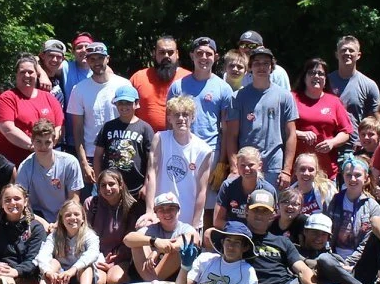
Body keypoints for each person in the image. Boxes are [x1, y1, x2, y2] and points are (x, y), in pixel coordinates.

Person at [5, 218, 259, 284]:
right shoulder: (206, 260)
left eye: (237, 244)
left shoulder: (247, 275)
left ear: (245, 248)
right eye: (228, 241)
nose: (231, 247)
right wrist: (184, 267)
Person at [309, 159, 380, 284]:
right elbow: (327, 234)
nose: (352, 179)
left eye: (357, 175)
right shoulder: (334, 200)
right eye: (348, 175)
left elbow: (366, 242)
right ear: (343, 176)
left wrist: (350, 264)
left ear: (366, 178)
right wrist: (338, 262)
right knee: (324, 259)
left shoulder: (372, 206)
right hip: (335, 263)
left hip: (359, 265)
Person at [243, 191, 331, 284]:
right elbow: (211, 235)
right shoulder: (239, 239)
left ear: (272, 213)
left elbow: (302, 269)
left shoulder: (282, 241)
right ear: (246, 210)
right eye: (256, 210)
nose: (260, 215)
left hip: (292, 283)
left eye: (265, 211)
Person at [225, 45, 298, 186]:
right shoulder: (237, 97)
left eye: (266, 63)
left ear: (272, 67)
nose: (261, 67)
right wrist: (234, 168)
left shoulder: (285, 96)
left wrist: (287, 170)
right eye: (257, 63)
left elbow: (291, 134)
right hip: (246, 166)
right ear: (250, 67)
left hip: (273, 166)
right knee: (246, 207)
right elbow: (232, 135)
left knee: (271, 206)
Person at [167, 36, 235, 159]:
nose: (204, 57)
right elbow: (169, 124)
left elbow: (226, 130)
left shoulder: (224, 89)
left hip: (210, 150)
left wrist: (222, 161)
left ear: (215, 57)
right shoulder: (178, 86)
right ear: (192, 56)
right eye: (199, 53)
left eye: (208, 54)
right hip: (180, 149)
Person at [154, 94, 215, 231]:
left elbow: (202, 191)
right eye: (176, 115)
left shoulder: (204, 150)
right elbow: (151, 176)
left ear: (192, 117)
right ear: (169, 118)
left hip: (188, 219)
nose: (181, 119)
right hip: (161, 216)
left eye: (185, 114)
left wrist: (193, 226)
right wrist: (149, 211)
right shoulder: (160, 139)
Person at [65, 41, 124, 181]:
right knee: (91, 202)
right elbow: (77, 129)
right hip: (91, 156)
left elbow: (132, 121)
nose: (97, 62)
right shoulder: (78, 90)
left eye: (100, 58)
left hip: (121, 153)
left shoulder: (123, 85)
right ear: (87, 60)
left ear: (107, 59)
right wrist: (83, 162)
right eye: (92, 59)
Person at [0, 53, 65, 163]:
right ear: (16, 75)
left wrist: (45, 147)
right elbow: (7, 129)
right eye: (22, 72)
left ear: (37, 75)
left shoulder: (49, 98)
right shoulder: (7, 98)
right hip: (15, 162)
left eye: (30, 72)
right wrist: (35, 146)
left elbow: (59, 127)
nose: (27, 75)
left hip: (45, 161)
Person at [292, 58, 356, 179]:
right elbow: (280, 127)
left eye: (321, 74)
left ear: (326, 79)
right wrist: (300, 134)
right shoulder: (292, 98)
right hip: (298, 170)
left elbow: (346, 132)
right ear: (304, 77)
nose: (316, 76)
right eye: (311, 73)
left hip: (326, 170)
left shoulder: (334, 101)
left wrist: (332, 142)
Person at [15, 117, 84, 223]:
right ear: (32, 141)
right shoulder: (25, 166)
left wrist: (60, 223)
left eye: (47, 142)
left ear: (54, 141)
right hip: (37, 217)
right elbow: (23, 203)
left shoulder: (70, 162)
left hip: (65, 215)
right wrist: (43, 224)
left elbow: (74, 199)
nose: (43, 146)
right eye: (38, 141)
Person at [95, 85, 157, 196]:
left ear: (136, 104)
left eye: (128, 103)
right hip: (111, 187)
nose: (124, 106)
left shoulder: (145, 128)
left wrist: (147, 185)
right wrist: (99, 182)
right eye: (120, 103)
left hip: (136, 188)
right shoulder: (108, 127)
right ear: (115, 104)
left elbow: (151, 161)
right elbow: (98, 156)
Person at [123, 191, 199, 283]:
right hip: (149, 270)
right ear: (156, 213)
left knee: (179, 249)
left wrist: (157, 251)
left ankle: (151, 282)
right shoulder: (152, 228)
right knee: (137, 243)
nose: (166, 213)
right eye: (161, 209)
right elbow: (128, 239)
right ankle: (151, 281)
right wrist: (154, 241)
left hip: (173, 275)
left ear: (178, 211)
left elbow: (193, 238)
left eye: (171, 208)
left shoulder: (185, 228)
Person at [84, 167, 139, 284]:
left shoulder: (131, 207)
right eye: (103, 185)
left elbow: (131, 239)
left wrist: (115, 258)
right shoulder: (91, 203)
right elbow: (85, 234)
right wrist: (95, 256)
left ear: (120, 185)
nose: (107, 189)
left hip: (120, 257)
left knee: (114, 279)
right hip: (96, 254)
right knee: (98, 281)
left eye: (111, 184)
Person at [40, 197, 101, 284]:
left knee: (86, 266)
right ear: (62, 220)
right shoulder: (55, 236)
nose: (73, 218)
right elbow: (43, 254)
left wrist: (73, 270)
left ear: (83, 218)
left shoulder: (89, 235)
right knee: (53, 262)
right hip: (59, 277)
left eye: (76, 214)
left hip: (80, 276)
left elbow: (93, 253)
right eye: (68, 215)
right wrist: (48, 271)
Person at [128, 35, 181, 132]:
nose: (166, 56)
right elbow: (125, 110)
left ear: (177, 54)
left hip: (179, 143)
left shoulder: (188, 78)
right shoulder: (138, 78)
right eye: (162, 52)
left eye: (170, 53)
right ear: (154, 54)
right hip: (144, 142)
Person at [330, 35, 380, 123]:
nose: (347, 53)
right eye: (343, 50)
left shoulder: (369, 85)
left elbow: (375, 122)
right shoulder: (325, 82)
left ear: (358, 55)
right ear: (336, 54)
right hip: (329, 136)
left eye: (351, 50)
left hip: (356, 136)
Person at [213, 146, 266, 229]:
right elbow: (217, 221)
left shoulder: (267, 190)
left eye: (251, 165)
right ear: (237, 166)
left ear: (260, 165)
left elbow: (270, 222)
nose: (247, 169)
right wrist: (240, 231)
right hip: (232, 234)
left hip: (256, 234)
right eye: (242, 165)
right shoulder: (228, 186)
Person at [282, 151, 331, 220]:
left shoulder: (326, 191)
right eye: (302, 169)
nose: (306, 173)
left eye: (311, 170)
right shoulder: (286, 196)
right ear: (295, 171)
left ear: (316, 172)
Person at [38, 37, 72, 107]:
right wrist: (42, 74)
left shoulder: (62, 78)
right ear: (42, 56)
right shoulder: (34, 80)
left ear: (63, 59)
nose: (54, 60)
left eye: (59, 57)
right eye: (51, 55)